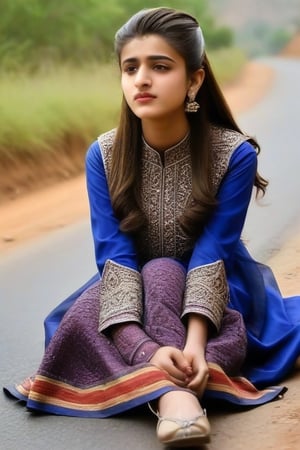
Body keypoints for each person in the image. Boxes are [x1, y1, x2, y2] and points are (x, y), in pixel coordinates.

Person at [4, 7, 300, 448]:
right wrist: (141, 345)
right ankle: (175, 393)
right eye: (130, 67)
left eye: (160, 67)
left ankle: (175, 390)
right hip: (131, 288)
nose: (142, 79)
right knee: (88, 314)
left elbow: (212, 251)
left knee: (164, 274)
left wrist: (196, 342)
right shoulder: (102, 155)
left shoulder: (233, 154)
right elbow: (114, 255)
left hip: (217, 288)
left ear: (195, 80)